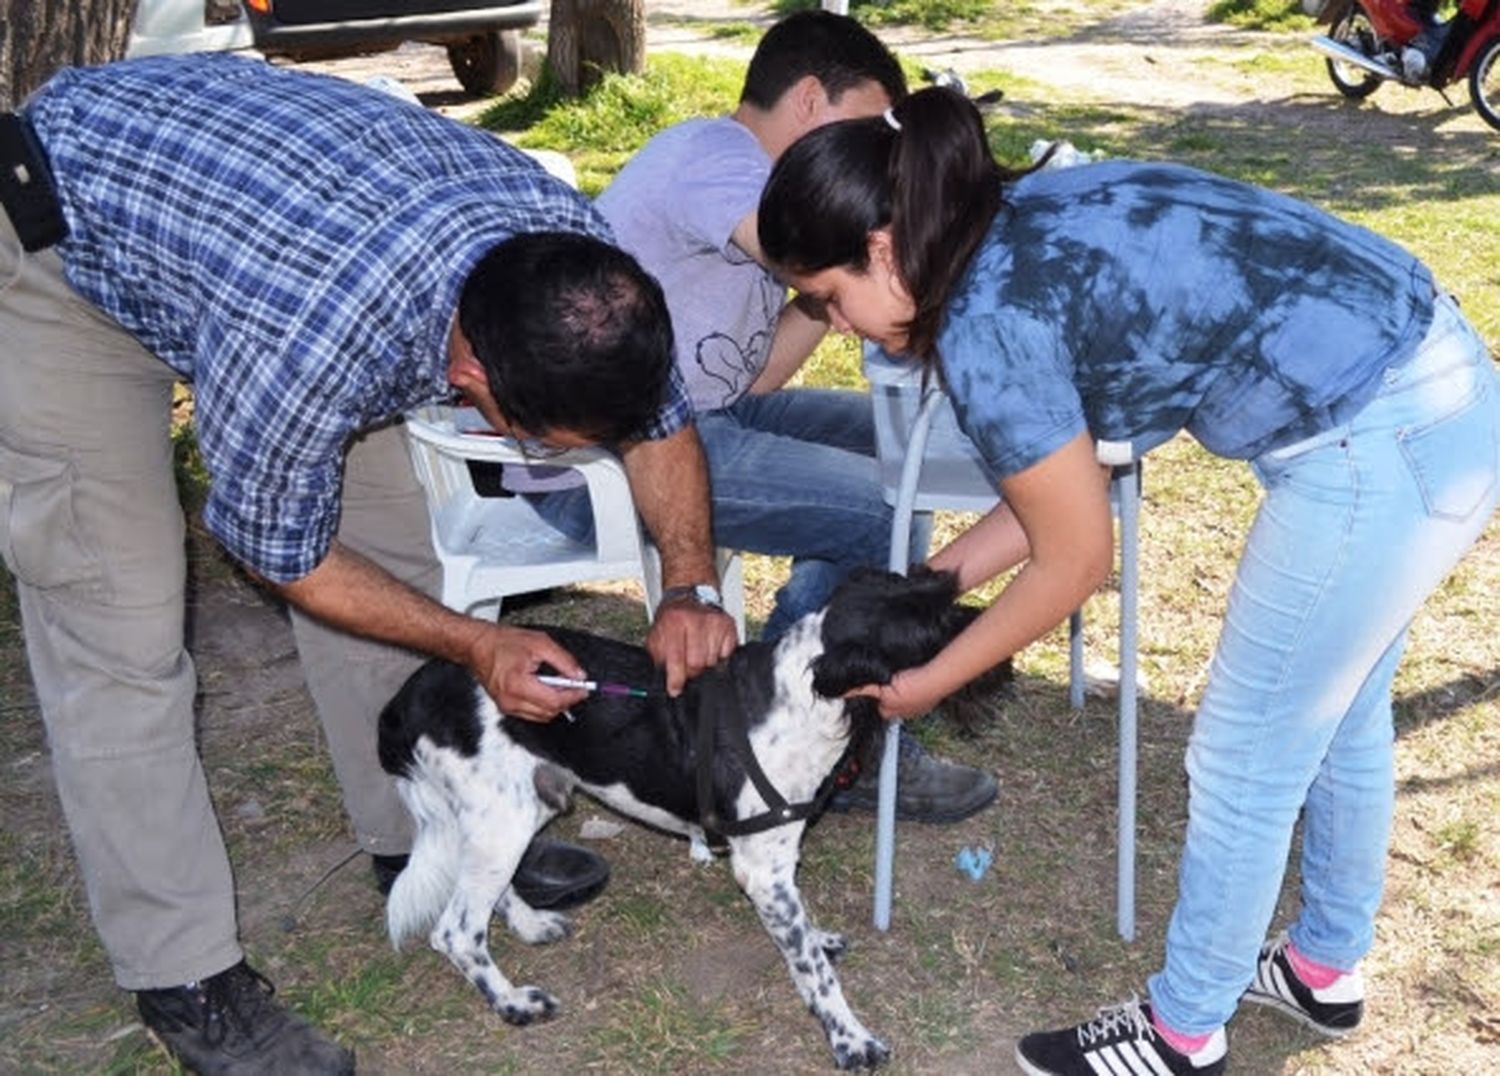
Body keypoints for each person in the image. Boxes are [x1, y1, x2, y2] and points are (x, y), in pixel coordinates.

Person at [0, 52, 737, 1074]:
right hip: (67, 243)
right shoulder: (318, 329)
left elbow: (657, 423)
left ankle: (418, 828)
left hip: (258, 227)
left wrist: (692, 581)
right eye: (551, 441)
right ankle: (186, 975)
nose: (565, 459)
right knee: (120, 625)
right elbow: (274, 545)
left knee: (393, 553)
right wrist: (480, 641)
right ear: (475, 376)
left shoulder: (577, 275)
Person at [757, 86, 1499, 1075]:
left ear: (883, 248)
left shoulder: (986, 324)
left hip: (1380, 441)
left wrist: (930, 680)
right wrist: (927, 585)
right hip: (1436, 385)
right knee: (1341, 710)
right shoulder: (1005, 221)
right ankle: (1323, 965)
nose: (836, 325)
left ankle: (1183, 1032)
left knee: (1243, 757)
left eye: (828, 296)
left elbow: (1075, 559)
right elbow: (1061, 493)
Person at [530, 10, 998, 823]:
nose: (876, 157)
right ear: (812, 100)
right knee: (884, 502)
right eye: (870, 126)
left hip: (709, 415)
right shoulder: (721, 158)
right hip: (613, 454)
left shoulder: (762, 190)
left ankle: (801, 698)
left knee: (898, 455)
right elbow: (828, 250)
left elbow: (765, 369)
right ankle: (808, 721)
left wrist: (835, 294)